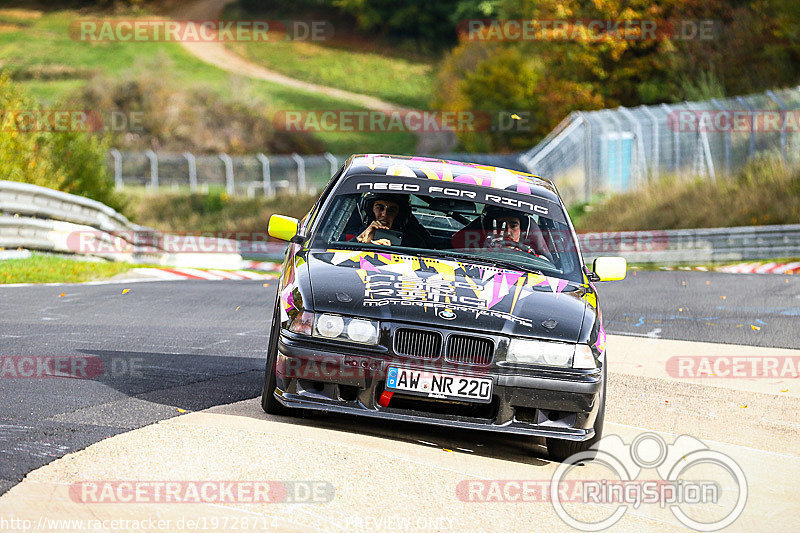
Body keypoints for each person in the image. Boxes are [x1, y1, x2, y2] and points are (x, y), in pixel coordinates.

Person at [451, 205, 554, 261]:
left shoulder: (538, 261)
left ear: (522, 230)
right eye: (500, 225)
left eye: (513, 226)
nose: (507, 232)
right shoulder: (469, 256)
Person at [354, 193, 431, 248]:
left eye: (391, 210)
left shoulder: (414, 241)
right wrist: (360, 243)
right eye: (380, 208)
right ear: (371, 210)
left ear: (399, 214)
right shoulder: (360, 233)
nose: (384, 214)